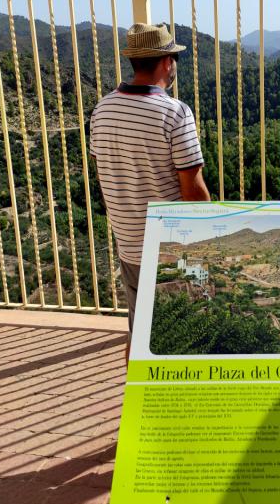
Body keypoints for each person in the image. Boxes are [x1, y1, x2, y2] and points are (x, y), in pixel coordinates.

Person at [89, 23, 210, 362]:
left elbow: (106, 174)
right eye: (173, 58)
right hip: (169, 246)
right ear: (165, 62)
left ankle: (140, 406)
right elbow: (193, 188)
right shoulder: (174, 113)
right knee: (184, 335)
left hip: (127, 243)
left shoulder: (103, 109)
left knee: (141, 332)